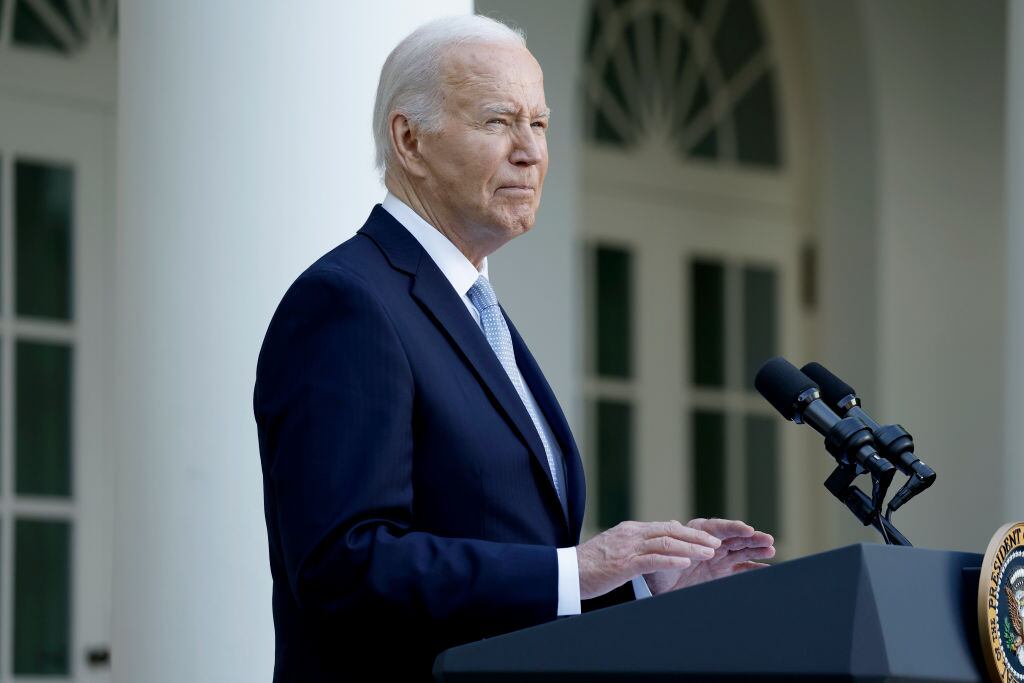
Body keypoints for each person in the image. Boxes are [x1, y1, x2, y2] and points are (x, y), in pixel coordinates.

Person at [253, 14, 774, 682]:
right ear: (409, 140)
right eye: (499, 121)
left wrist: (636, 582)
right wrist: (577, 567)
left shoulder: (473, 308)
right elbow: (344, 567)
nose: (529, 150)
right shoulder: (348, 303)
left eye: (541, 124)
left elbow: (511, 560)